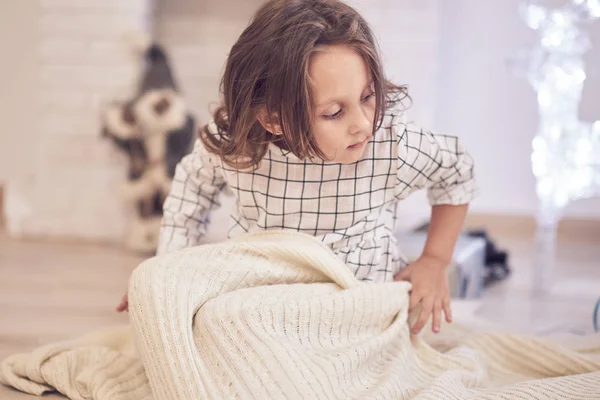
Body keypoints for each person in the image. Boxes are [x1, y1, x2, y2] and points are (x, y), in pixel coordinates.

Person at [117, 0, 479, 335]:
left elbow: (456, 169)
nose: (363, 124)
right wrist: (166, 273)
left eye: (367, 97)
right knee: (189, 316)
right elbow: (191, 190)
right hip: (260, 306)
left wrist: (434, 259)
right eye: (334, 112)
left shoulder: (390, 142)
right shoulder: (238, 145)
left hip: (362, 311)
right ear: (273, 120)